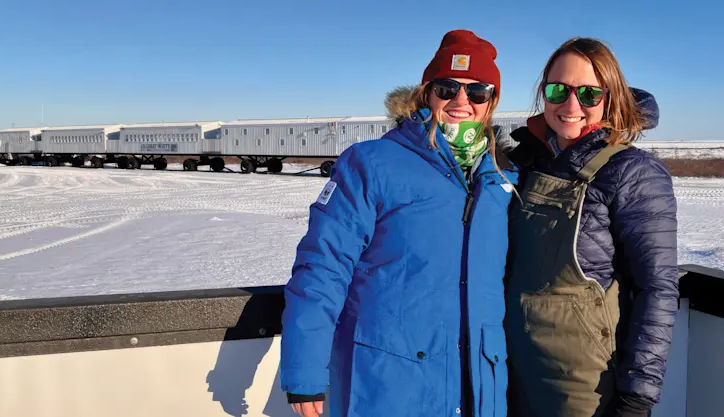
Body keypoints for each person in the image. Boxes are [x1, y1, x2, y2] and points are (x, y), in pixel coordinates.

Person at [280, 29, 518, 417]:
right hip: (391, 382)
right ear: (426, 92)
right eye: (447, 88)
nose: (462, 101)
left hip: (478, 384)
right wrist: (304, 370)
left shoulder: (502, 178)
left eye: (477, 91)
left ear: (492, 102)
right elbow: (323, 265)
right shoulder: (371, 163)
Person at [503, 37, 679, 417]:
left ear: (610, 98)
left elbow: (658, 287)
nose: (570, 106)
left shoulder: (632, 173)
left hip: (585, 388)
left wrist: (637, 396)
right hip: (512, 374)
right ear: (542, 94)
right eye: (558, 90)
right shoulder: (526, 163)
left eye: (588, 94)